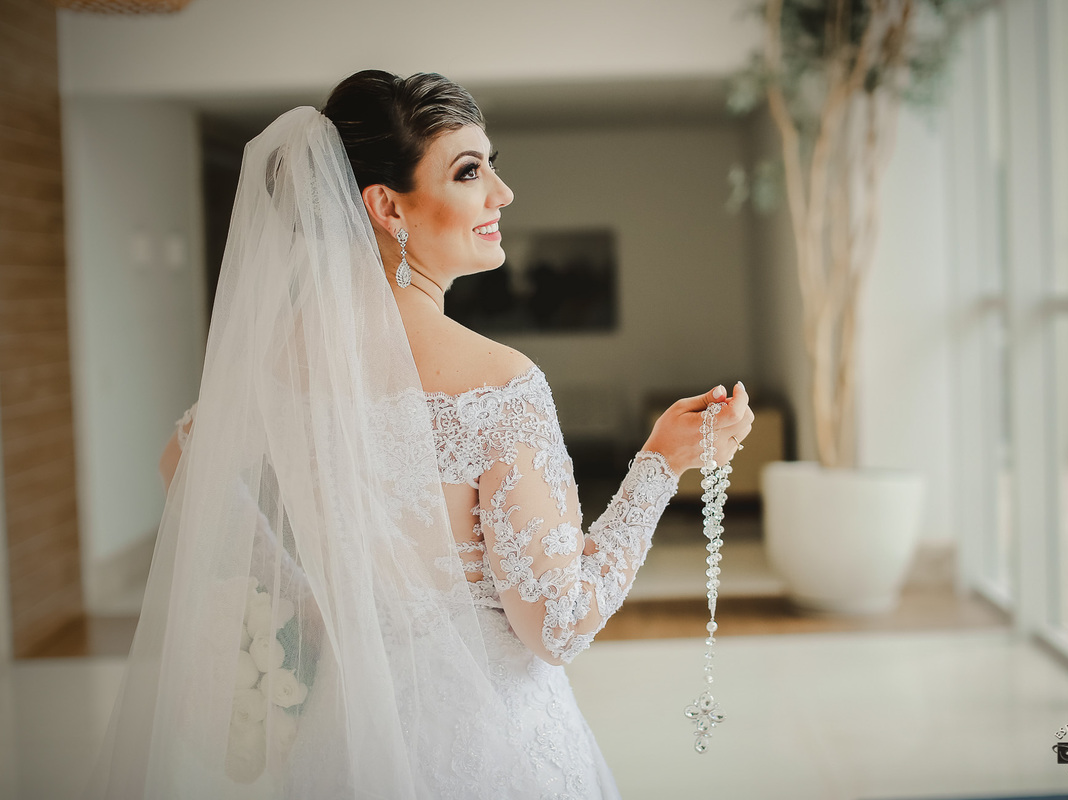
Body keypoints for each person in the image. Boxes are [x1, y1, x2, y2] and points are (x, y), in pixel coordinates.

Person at [93, 70, 753, 799]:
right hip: (490, 754)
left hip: (342, 744)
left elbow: (183, 461)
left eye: (492, 166)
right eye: (470, 171)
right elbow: (558, 626)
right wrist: (660, 464)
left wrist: (310, 603)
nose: (501, 193)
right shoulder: (500, 384)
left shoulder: (278, 359)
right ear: (386, 206)